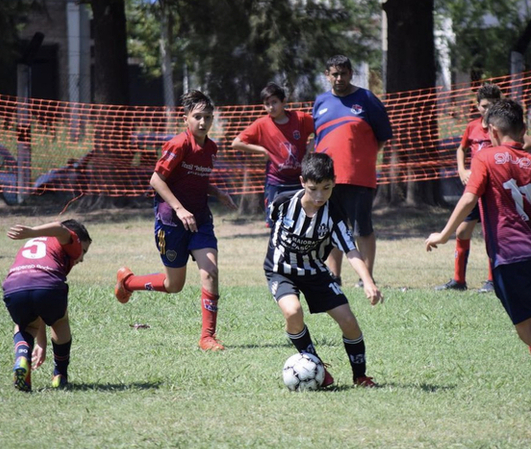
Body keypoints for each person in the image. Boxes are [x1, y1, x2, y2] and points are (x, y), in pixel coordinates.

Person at [425, 99, 531, 402]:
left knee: (528, 331)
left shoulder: (485, 156)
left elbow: (469, 199)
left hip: (509, 258)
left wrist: (443, 234)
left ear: (492, 131)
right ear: (523, 130)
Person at [114, 90, 237, 351]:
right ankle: (128, 282)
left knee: (210, 271)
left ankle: (207, 337)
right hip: (172, 221)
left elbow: (195, 181)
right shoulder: (178, 144)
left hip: (200, 220)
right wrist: (180, 209)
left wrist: (217, 192)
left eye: (207, 117)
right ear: (186, 120)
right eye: (197, 117)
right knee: (174, 285)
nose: (203, 122)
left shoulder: (211, 148)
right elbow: (156, 180)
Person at [265, 152, 382, 387]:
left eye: (326, 188)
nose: (320, 196)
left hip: (315, 271)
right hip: (281, 270)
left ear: (334, 183)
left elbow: (351, 250)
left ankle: (360, 376)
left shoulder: (335, 216)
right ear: (302, 183)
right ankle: (315, 364)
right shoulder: (282, 202)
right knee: (292, 312)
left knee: (349, 321)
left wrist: (368, 281)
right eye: (313, 189)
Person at [436, 83, 531, 293]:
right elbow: (461, 149)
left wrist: (505, 156)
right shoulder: (473, 127)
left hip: (495, 186)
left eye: (491, 105)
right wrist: (463, 171)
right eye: (483, 105)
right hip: (475, 185)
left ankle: (492, 281)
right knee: (463, 230)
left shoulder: (503, 128)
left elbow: (529, 143)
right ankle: (458, 281)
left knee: (492, 232)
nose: (487, 109)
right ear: (477, 106)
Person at [313, 55, 393, 287]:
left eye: (343, 73)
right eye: (334, 74)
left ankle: (364, 278)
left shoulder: (367, 99)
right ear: (327, 75)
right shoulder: (320, 102)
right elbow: (318, 138)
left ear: (351, 74)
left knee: (362, 229)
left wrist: (362, 159)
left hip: (358, 177)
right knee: (331, 229)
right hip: (326, 179)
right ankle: (333, 277)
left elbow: (382, 137)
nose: (339, 78)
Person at [2, 219, 92, 391]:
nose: (81, 258)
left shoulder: (37, 243)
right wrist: (31, 230)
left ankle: (22, 358)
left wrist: (41, 343)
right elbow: (60, 228)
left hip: (14, 286)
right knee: (60, 321)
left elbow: (39, 309)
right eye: (84, 251)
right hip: (47, 284)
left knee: (26, 325)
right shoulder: (68, 242)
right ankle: (60, 375)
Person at [231, 82, 314, 225]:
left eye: (274, 102)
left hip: (300, 180)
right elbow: (236, 143)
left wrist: (310, 147)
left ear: (284, 102)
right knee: (276, 222)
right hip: (276, 182)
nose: (271, 107)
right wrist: (261, 150)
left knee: (301, 221)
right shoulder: (261, 124)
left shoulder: (300, 118)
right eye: (267, 104)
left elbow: (321, 129)